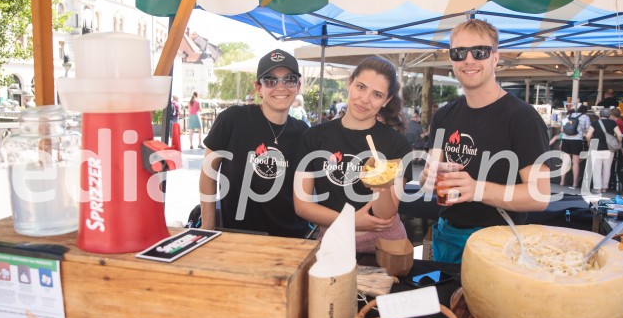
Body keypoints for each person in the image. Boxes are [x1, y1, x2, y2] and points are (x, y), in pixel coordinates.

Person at [420, 19, 550, 263]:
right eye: (459, 52)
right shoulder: (443, 115)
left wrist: (476, 189)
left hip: (499, 245)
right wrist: (426, 177)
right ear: (451, 59)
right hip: (447, 239)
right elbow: (429, 178)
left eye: (479, 52)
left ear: (495, 57)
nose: (469, 60)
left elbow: (539, 196)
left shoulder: (523, 118)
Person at [294, 57, 412, 253]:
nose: (365, 99)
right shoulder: (314, 137)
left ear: (387, 100)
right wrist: (351, 221)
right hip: (335, 237)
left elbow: (386, 216)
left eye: (377, 94)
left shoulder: (396, 145)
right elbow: (302, 205)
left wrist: (381, 184)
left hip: (386, 243)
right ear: (349, 84)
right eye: (361, 87)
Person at [198, 50, 310, 237]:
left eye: (289, 79)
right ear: (258, 88)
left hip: (291, 239)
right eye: (270, 80)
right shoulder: (232, 120)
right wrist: (208, 225)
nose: (280, 87)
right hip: (239, 236)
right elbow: (208, 172)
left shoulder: (303, 132)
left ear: (298, 86)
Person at [585, 108, 622, 194]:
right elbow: (619, 135)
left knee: (597, 169)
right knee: (607, 169)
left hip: (596, 148)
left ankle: (597, 188)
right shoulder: (613, 123)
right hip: (609, 150)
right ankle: (604, 188)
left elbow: (588, 135)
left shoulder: (595, 123)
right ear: (609, 116)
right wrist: (619, 143)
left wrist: (589, 142)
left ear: (600, 115)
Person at [560, 105, 591, 189]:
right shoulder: (585, 117)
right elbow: (588, 129)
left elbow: (562, 130)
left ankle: (562, 181)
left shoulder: (568, 116)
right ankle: (574, 183)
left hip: (566, 139)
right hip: (577, 140)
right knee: (575, 162)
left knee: (565, 161)